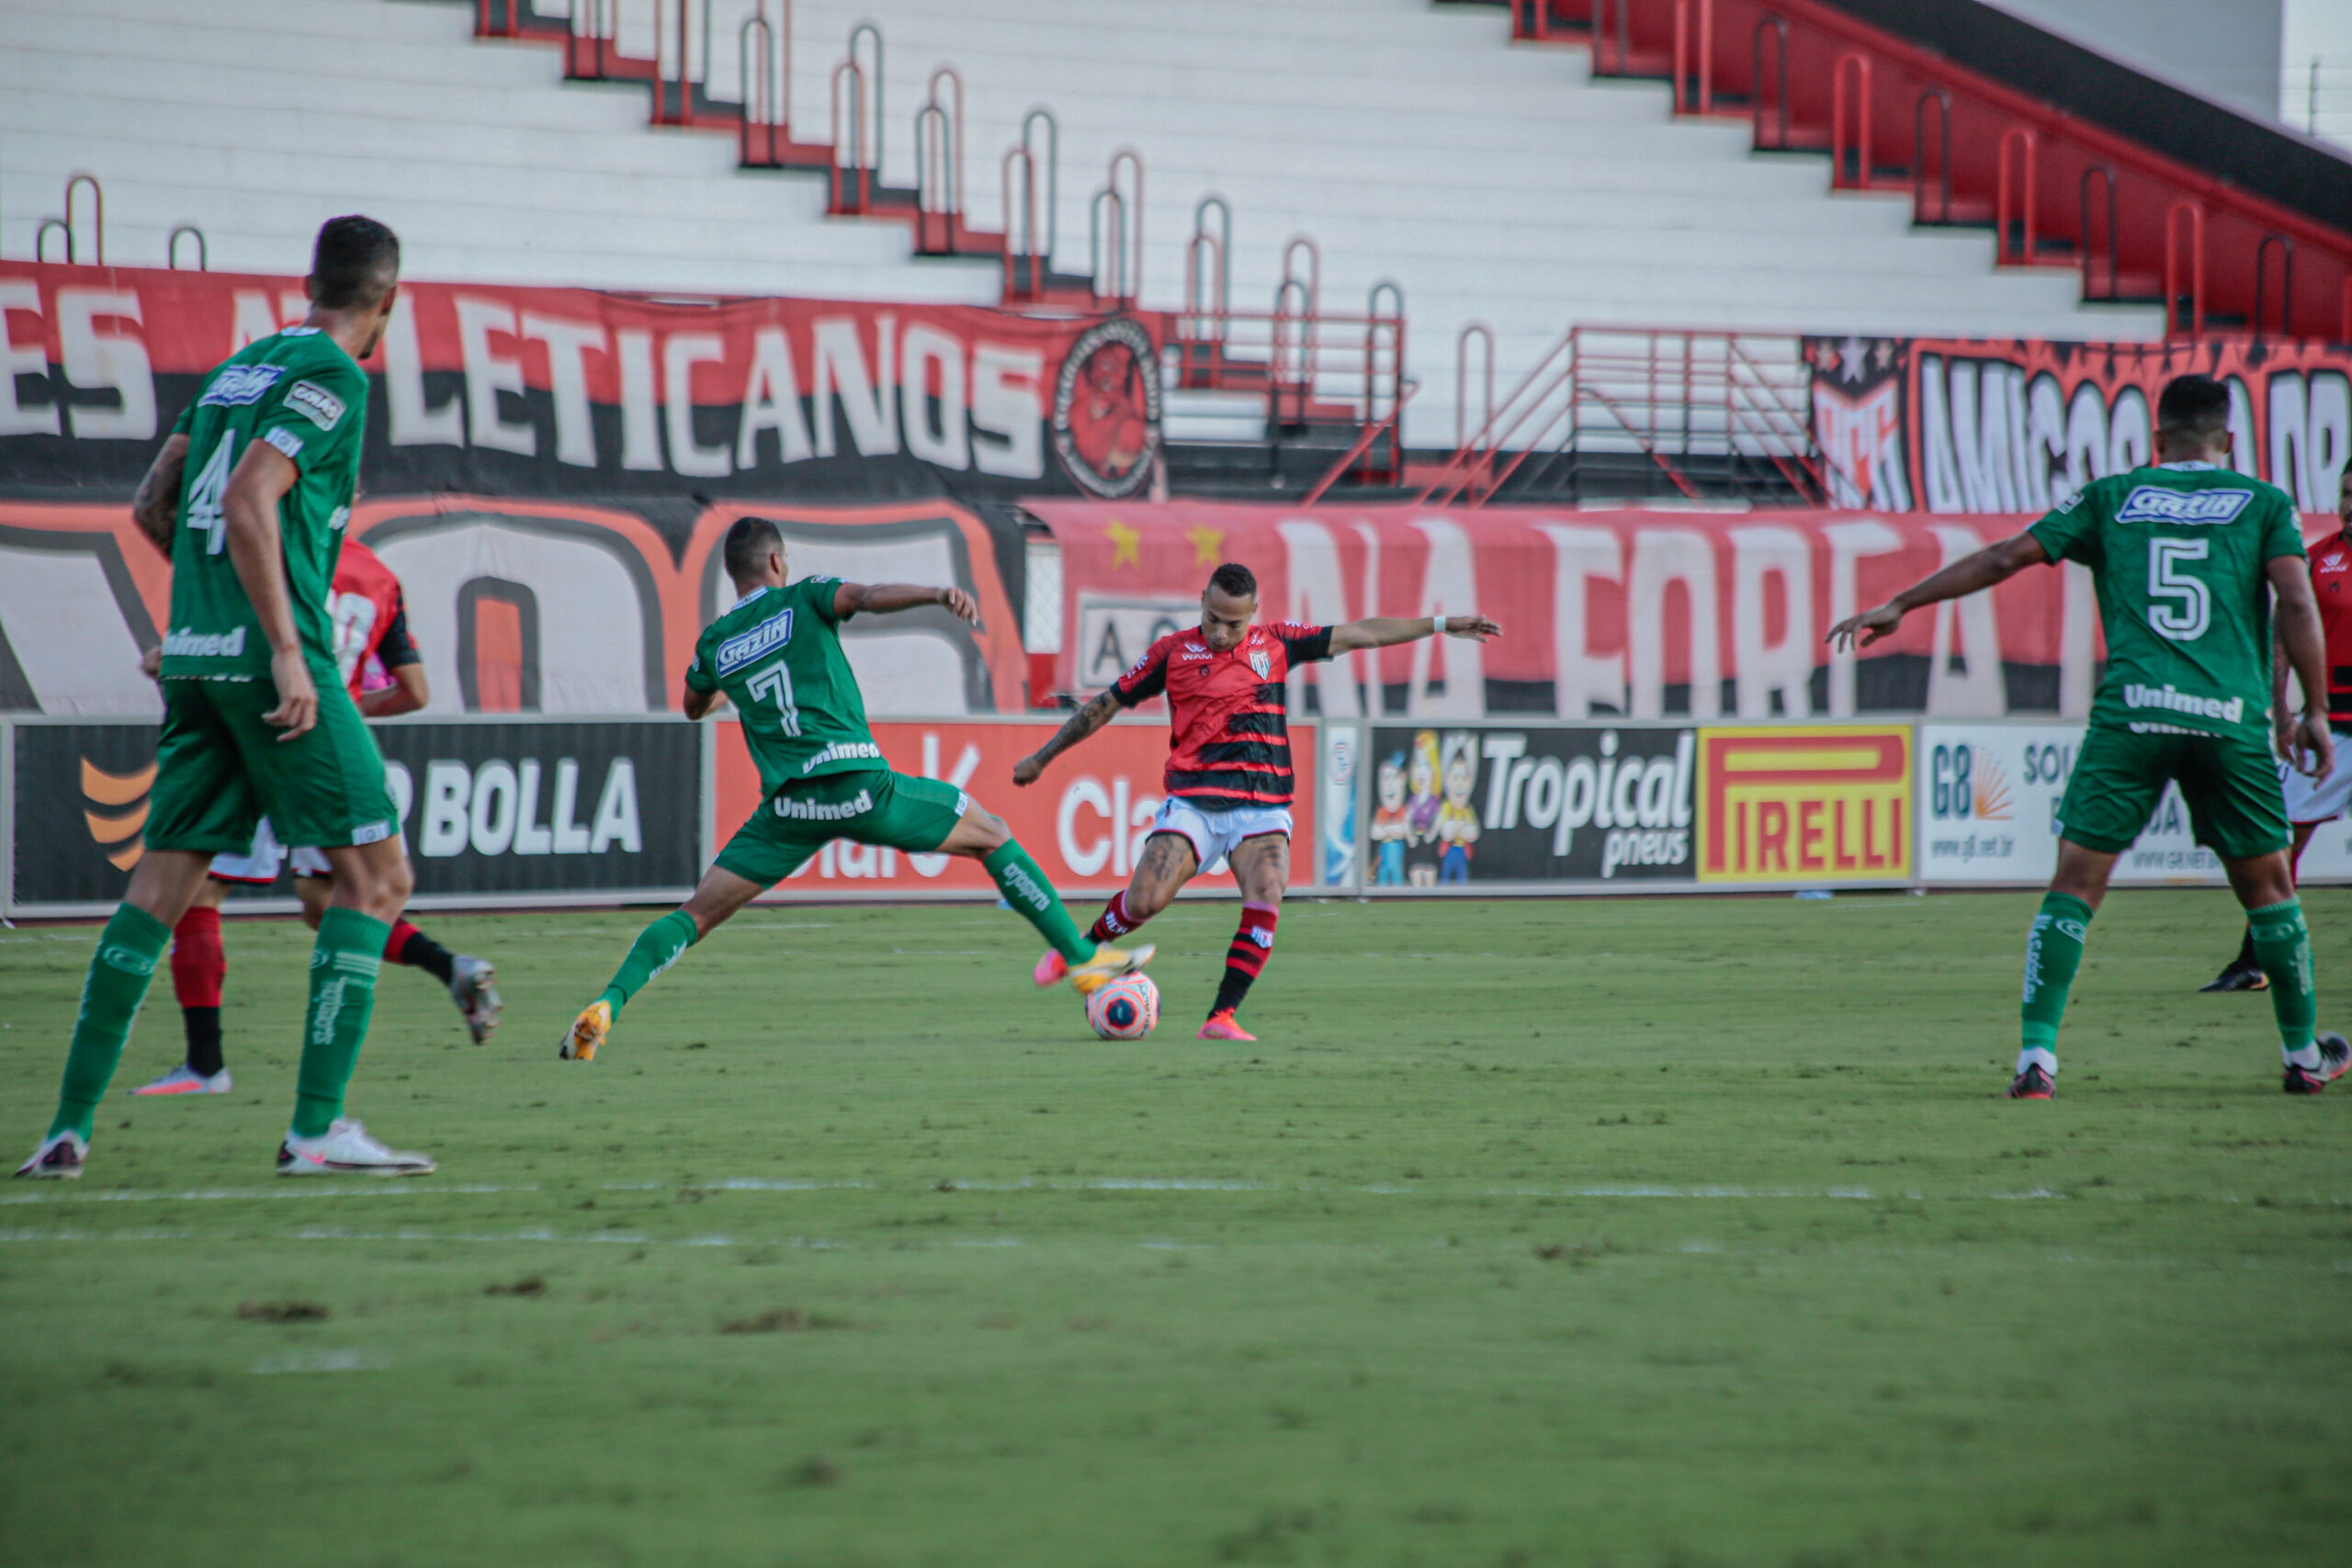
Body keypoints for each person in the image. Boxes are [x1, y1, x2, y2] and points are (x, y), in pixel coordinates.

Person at [17, 215, 435, 1179]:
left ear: (307, 282)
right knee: (379, 881)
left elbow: (152, 503)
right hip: (265, 662)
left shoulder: (240, 366)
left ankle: (67, 1131)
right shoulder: (336, 375)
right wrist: (287, 650)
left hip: (197, 656)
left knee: (157, 890)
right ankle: (317, 1130)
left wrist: (200, 610)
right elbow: (251, 496)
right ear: (389, 302)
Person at [1828, 373, 2348, 1098]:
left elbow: (2006, 555)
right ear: (2228, 442)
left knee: (2075, 885)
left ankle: (2035, 1060)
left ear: (2157, 440)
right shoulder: (2264, 504)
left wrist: (1902, 602)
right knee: (2269, 890)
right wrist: (2314, 709)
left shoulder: (2113, 495)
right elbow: (2296, 599)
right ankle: (2301, 1055)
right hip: (2228, 723)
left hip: (2132, 716)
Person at [558, 516, 1153, 1061]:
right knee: (990, 834)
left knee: (695, 914)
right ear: (776, 563)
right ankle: (1080, 958)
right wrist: (936, 592)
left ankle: (608, 1003)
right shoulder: (803, 596)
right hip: (857, 781)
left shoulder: (716, 643)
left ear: (732, 572)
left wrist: (733, 681)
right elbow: (866, 598)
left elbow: (694, 706)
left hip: (788, 807)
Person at [1012, 562, 1501, 1041]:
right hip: (1195, 804)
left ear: (1254, 613)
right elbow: (1104, 706)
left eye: (1234, 623)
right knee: (1146, 899)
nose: (1221, 632)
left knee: (1268, 889)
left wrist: (1440, 626)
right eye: (1213, 619)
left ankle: (1221, 1016)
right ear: (1202, 602)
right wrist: (1042, 756)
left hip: (1262, 809)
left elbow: (1363, 634)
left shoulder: (1278, 642)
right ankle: (1078, 951)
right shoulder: (1171, 654)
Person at [130, 537, 502, 1099]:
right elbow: (414, 691)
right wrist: (347, 710)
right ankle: (449, 968)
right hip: (330, 752)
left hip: (252, 730)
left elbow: (227, 647)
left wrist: (170, 659)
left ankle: (205, 1065)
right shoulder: (380, 576)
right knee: (327, 901)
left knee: (200, 893)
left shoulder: (272, 553)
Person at [2201, 462, 2352, 992]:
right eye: (2346, 494)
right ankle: (2253, 960)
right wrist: (2283, 714)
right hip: (2333, 729)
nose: (2350, 505)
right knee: (2281, 840)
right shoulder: (2318, 560)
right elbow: (2282, 638)